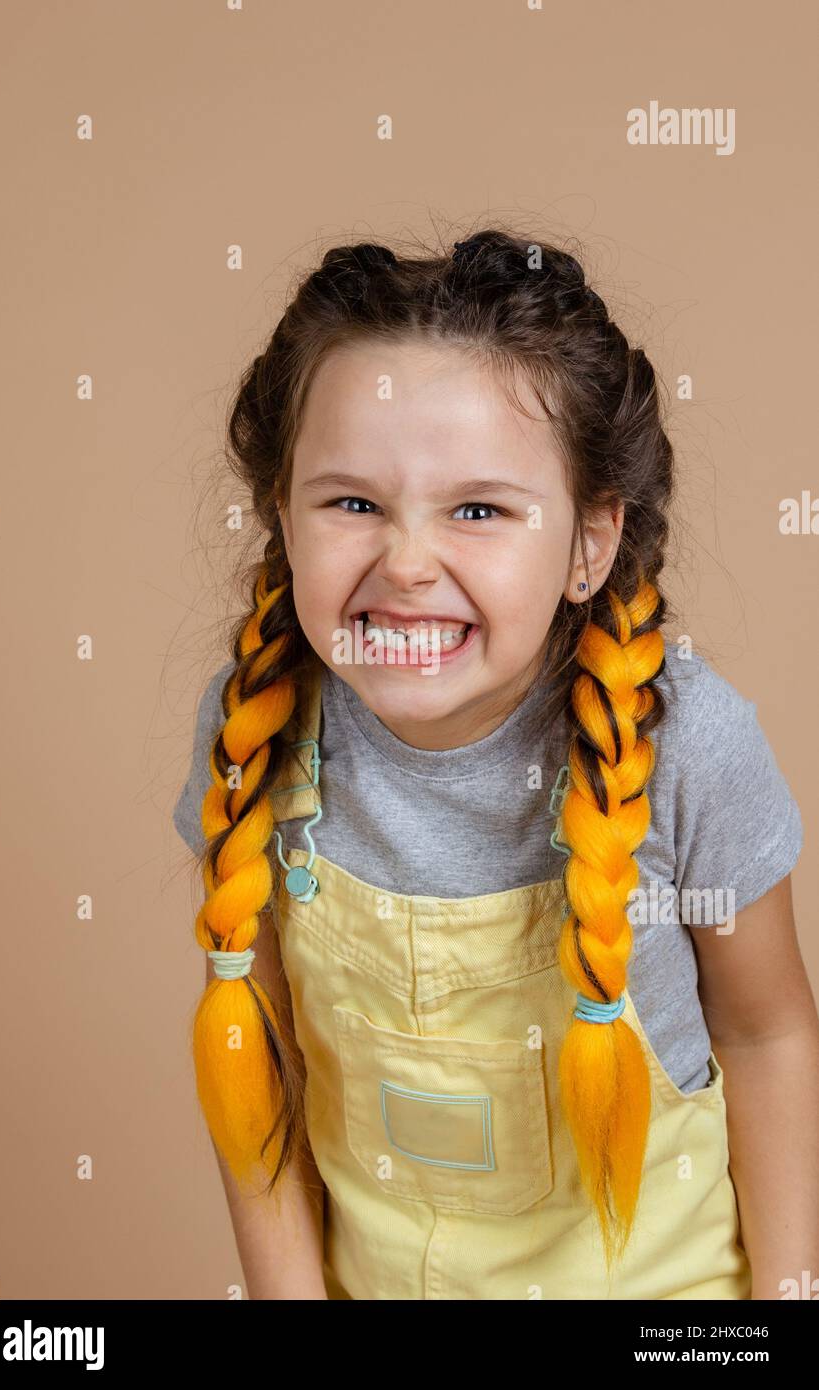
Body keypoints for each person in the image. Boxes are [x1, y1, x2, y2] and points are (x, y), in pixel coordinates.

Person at [173, 229, 817, 1300]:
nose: (408, 561)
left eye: (477, 509)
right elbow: (262, 1086)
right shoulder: (254, 736)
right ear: (282, 517)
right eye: (351, 503)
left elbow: (764, 1032)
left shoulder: (685, 744)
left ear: (587, 544)